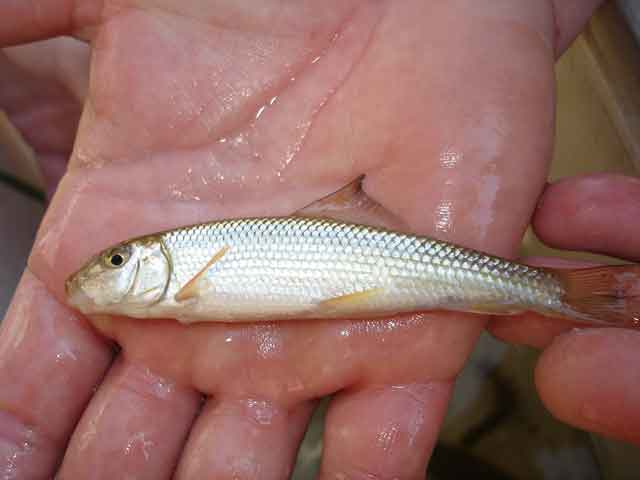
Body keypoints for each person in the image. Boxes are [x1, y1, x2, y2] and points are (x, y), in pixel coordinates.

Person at [1, 0, 637, 477]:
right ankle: (557, 293)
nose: (105, 270)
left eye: (118, 261)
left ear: (151, 263)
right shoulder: (173, 283)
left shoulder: (183, 270)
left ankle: (556, 293)